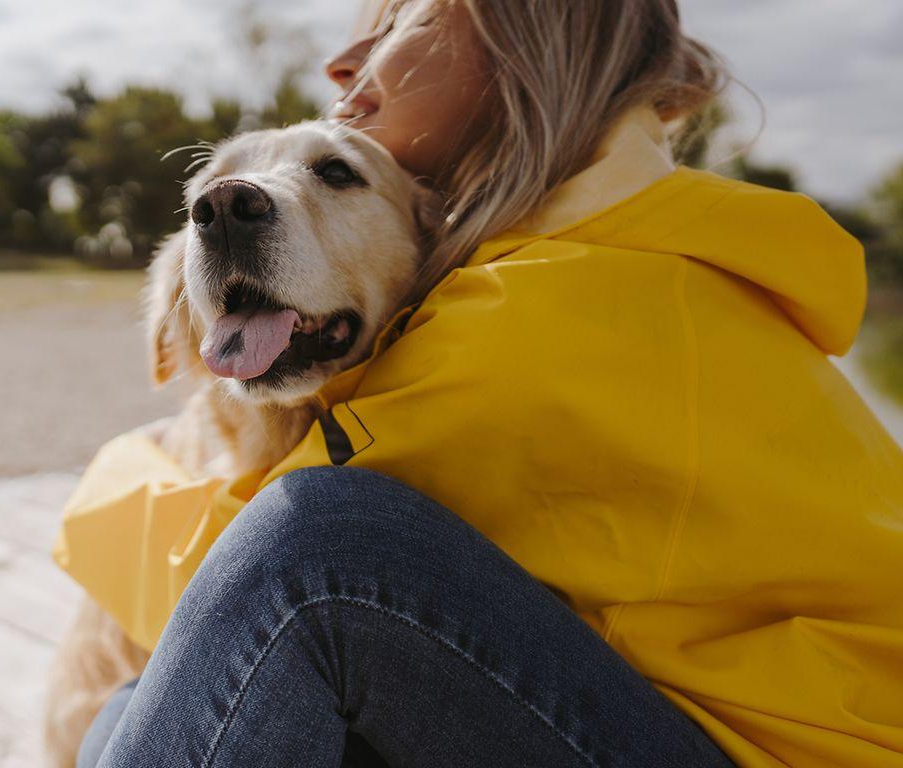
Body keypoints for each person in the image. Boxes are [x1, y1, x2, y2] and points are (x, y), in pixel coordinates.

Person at [61, 1, 903, 766]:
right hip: (711, 720)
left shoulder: (543, 301)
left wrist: (112, 477)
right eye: (208, 200)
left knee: (319, 541)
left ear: (522, 50)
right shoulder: (611, 244)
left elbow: (241, 579)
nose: (345, 61)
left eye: (402, 21)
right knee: (140, 705)